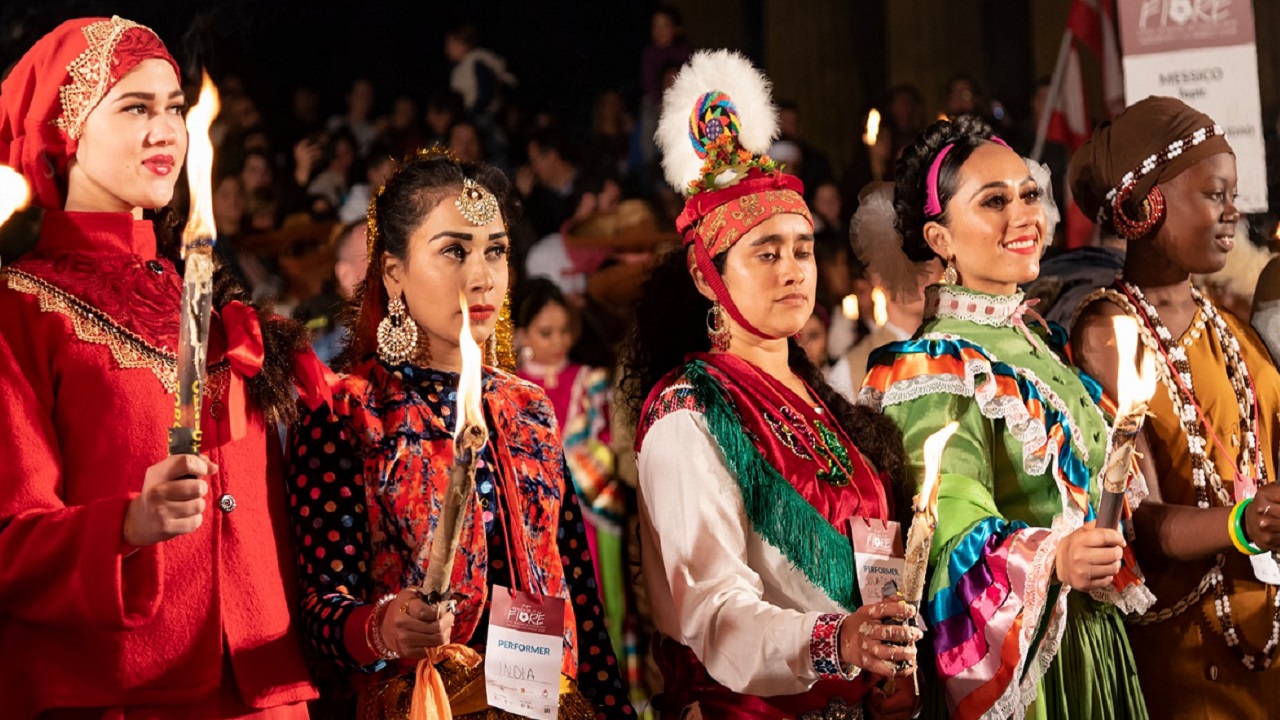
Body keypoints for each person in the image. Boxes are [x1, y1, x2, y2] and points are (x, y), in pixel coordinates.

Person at [0, 16, 325, 717]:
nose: (167, 131)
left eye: (175, 109)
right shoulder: (19, 311)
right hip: (117, 694)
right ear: (68, 129)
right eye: (136, 108)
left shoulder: (204, 301)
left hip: (263, 687)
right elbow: (9, 540)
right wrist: (127, 523)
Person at [621, 49, 921, 719]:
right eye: (766, 252)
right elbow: (714, 610)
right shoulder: (688, 411)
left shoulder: (821, 402)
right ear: (707, 276)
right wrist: (835, 641)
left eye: (802, 248)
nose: (793, 270)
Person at [286, 149, 631, 717]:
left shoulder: (529, 410)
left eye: (495, 250)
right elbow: (318, 608)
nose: (482, 276)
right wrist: (382, 627)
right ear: (393, 272)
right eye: (454, 251)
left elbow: (581, 604)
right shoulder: (346, 412)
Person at [859, 115, 1150, 719]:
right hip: (1029, 672)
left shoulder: (1037, 341)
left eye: (1028, 194)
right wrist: (1056, 558)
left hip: (1088, 648)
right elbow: (943, 532)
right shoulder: (933, 366)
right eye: (994, 201)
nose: (1024, 215)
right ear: (939, 240)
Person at [1070, 96, 1280, 720]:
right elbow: (1135, 519)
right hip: (1187, 658)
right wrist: (1243, 524)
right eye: (1215, 195)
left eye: (1232, 194)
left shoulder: (1234, 331)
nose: (1232, 214)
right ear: (1147, 205)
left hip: (1262, 640)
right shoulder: (1110, 332)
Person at [513, 278, 627, 657]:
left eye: (564, 330)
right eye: (546, 332)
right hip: (529, 515)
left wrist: (574, 465)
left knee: (592, 599)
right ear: (523, 333)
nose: (558, 340)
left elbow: (606, 444)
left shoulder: (590, 380)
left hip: (584, 508)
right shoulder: (509, 385)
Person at [827, 183, 937, 400]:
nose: (918, 274)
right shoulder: (852, 370)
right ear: (876, 274)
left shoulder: (964, 347)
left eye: (924, 260)